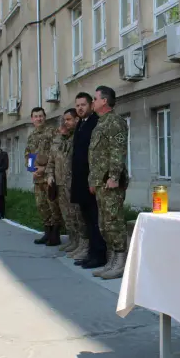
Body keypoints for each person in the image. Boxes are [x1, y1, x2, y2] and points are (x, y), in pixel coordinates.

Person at [89, 86, 129, 280]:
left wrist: (114, 177)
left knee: (114, 223)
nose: (93, 102)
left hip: (110, 182)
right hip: (100, 182)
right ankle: (111, 261)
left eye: (95, 99)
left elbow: (117, 151)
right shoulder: (101, 123)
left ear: (104, 101)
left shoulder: (114, 122)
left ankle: (120, 263)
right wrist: (93, 180)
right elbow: (96, 156)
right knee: (104, 224)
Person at [70, 92, 107, 268]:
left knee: (95, 219)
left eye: (83, 105)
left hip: (90, 180)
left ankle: (99, 255)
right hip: (80, 180)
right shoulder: (81, 124)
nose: (79, 108)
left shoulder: (95, 123)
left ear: (91, 105)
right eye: (77, 105)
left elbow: (96, 155)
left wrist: (94, 180)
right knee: (87, 219)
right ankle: (91, 253)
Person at [47, 108, 85, 255]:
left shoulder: (76, 138)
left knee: (77, 214)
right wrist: (50, 175)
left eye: (67, 121)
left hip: (73, 183)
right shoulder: (57, 141)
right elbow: (51, 161)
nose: (64, 124)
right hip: (60, 183)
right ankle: (73, 240)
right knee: (66, 215)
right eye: (63, 121)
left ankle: (82, 243)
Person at [25, 107, 61, 246]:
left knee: (53, 205)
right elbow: (28, 155)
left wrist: (45, 168)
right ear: (32, 119)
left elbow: (57, 153)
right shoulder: (32, 136)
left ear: (45, 117)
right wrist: (32, 169)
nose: (38, 119)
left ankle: (55, 235)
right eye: (36, 116)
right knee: (41, 205)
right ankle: (47, 233)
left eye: (41, 116)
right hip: (37, 178)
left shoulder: (52, 132)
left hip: (50, 176)